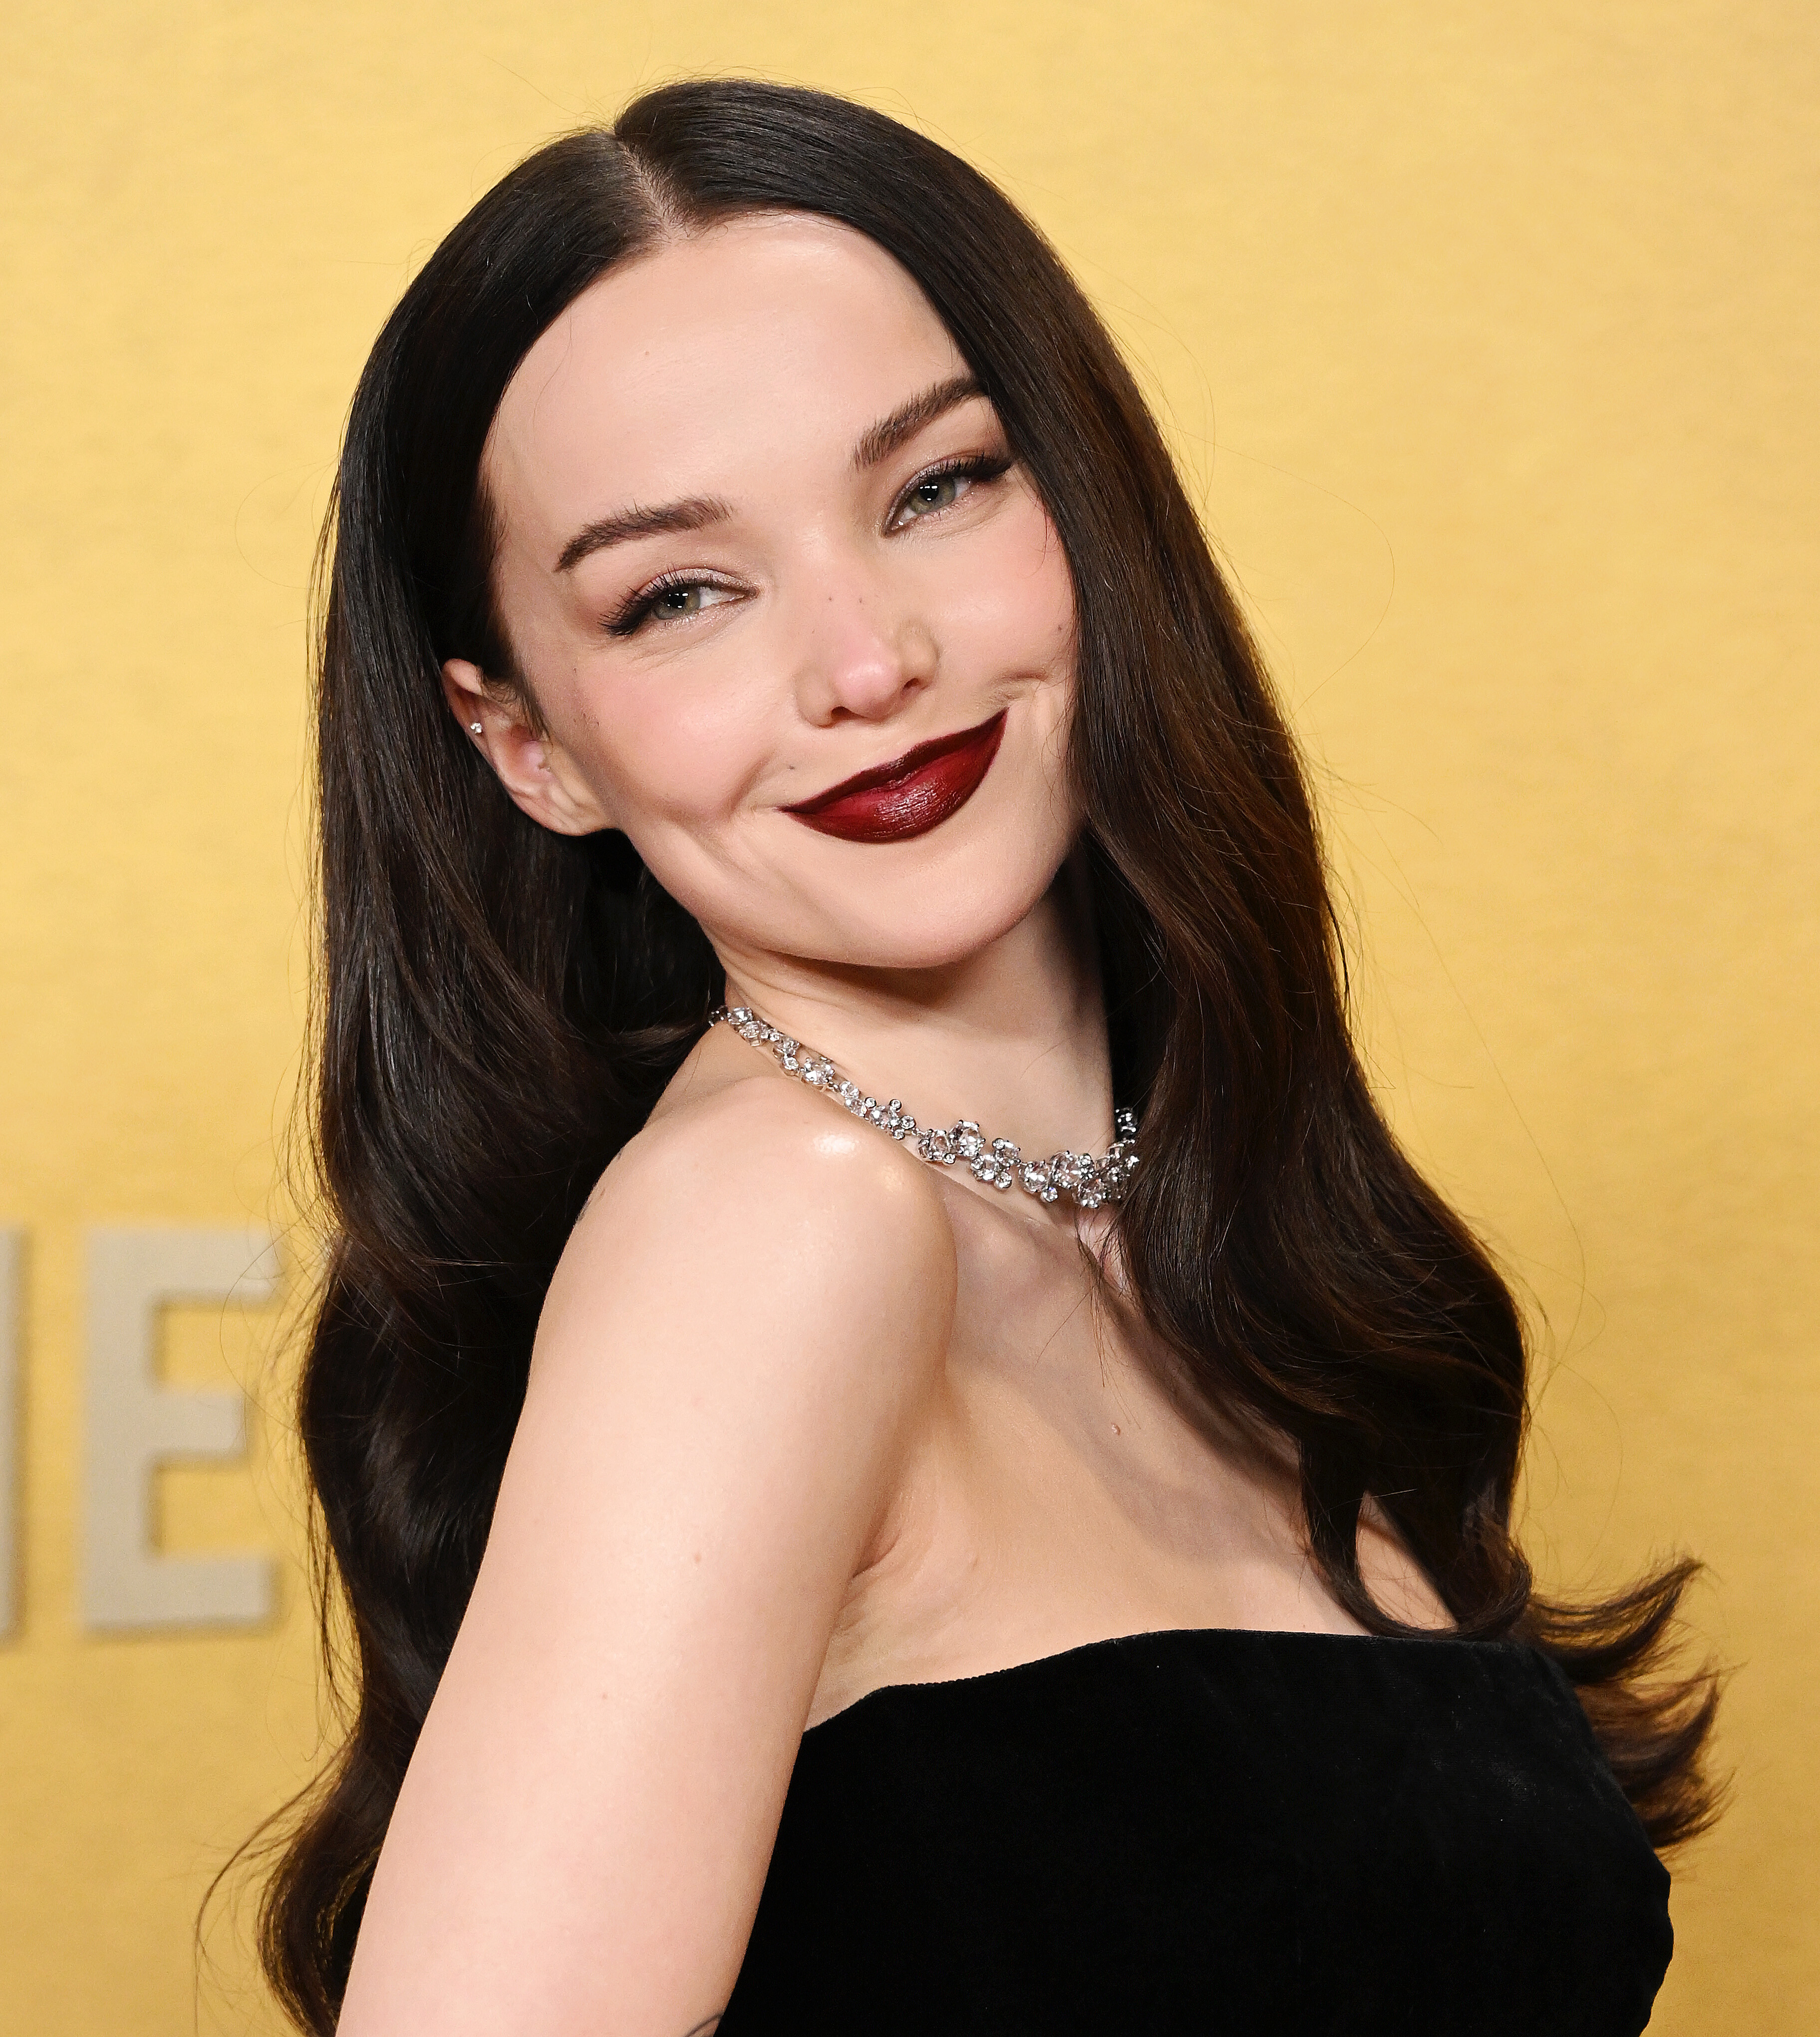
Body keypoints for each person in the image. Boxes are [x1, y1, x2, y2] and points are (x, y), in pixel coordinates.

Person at [259, 79, 1719, 2037]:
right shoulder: (775, 1227)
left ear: (1085, 504)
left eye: (935, 489)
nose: (868, 662)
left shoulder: (1230, 1256)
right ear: (527, 745)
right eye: (678, 594)